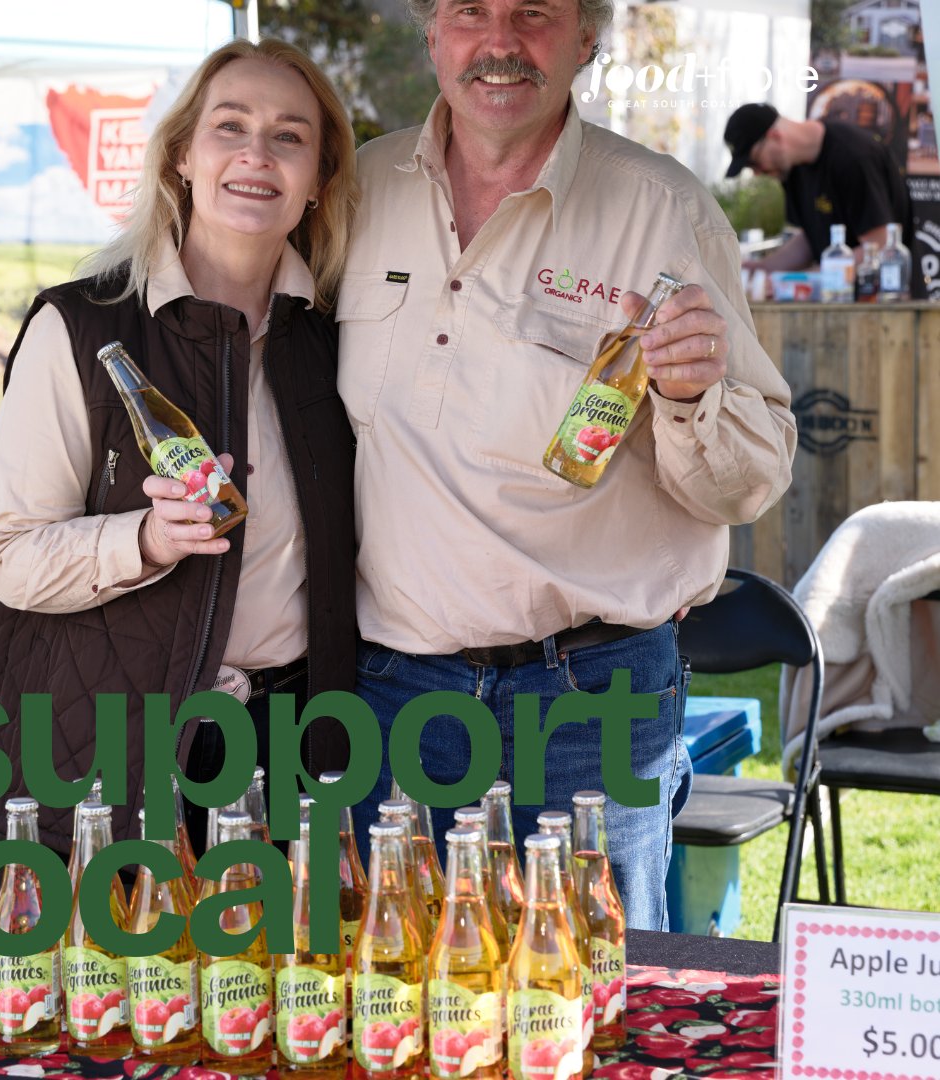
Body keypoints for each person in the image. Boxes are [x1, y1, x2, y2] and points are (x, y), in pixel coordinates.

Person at [336, 0, 796, 930]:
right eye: (471, 12)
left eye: (534, 13)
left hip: (593, 697)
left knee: (596, 1004)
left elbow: (749, 479)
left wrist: (685, 392)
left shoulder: (660, 208)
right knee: (408, 996)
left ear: (586, 39)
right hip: (397, 689)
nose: (500, 42)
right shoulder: (357, 188)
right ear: (433, 32)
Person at [0, 38, 359, 855]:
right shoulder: (80, 328)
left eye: (291, 136)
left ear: (320, 180)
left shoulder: (331, 341)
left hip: (291, 749)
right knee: (128, 985)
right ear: (183, 154)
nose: (258, 153)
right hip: (125, 750)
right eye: (231, 126)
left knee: (283, 981)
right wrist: (142, 541)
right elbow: (6, 555)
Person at [724, 102, 914, 272]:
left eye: (753, 162)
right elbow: (809, 239)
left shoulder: (853, 157)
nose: (757, 173)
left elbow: (881, 244)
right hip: (839, 300)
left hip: (883, 301)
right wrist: (763, 269)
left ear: (775, 136)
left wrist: (813, 278)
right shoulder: (792, 170)